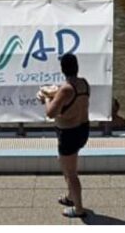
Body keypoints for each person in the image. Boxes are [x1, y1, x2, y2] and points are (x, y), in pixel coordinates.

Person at [38, 51, 91, 218]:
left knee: (71, 173)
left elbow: (50, 113)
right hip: (83, 129)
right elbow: (70, 103)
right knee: (64, 163)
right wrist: (56, 95)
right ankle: (70, 197)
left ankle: (79, 209)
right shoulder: (83, 83)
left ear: (62, 69)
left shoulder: (66, 89)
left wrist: (46, 98)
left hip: (69, 134)